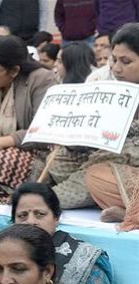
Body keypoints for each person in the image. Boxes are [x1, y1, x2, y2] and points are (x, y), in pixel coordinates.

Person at [0, 35, 58, 204]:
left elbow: (43, 131)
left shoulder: (41, 80)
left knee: (5, 160)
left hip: (31, 152)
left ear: (14, 71)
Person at [83, 23, 139, 227]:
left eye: (126, 61)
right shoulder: (111, 92)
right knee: (95, 175)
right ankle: (131, 210)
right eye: (114, 60)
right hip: (119, 170)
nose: (116, 68)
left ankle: (131, 213)